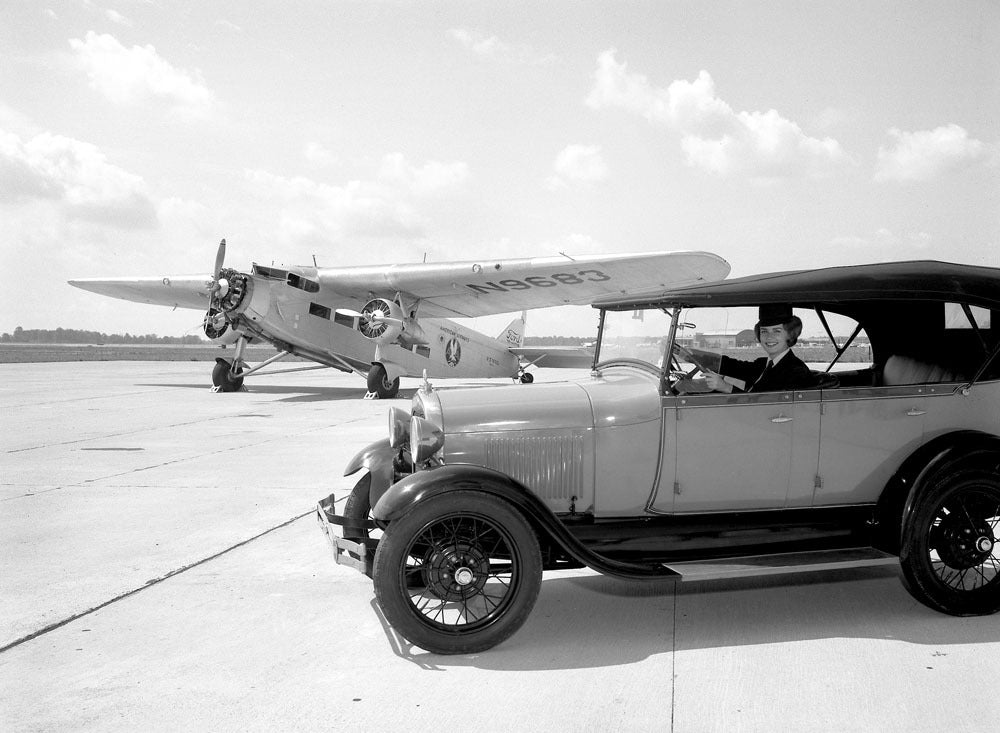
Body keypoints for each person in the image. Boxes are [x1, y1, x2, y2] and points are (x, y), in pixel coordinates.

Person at [674, 304, 814, 393]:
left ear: (790, 334)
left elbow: (763, 406)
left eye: (776, 331)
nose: (769, 337)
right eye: (764, 331)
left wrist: (725, 387)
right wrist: (686, 354)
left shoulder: (796, 371)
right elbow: (731, 366)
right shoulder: (763, 363)